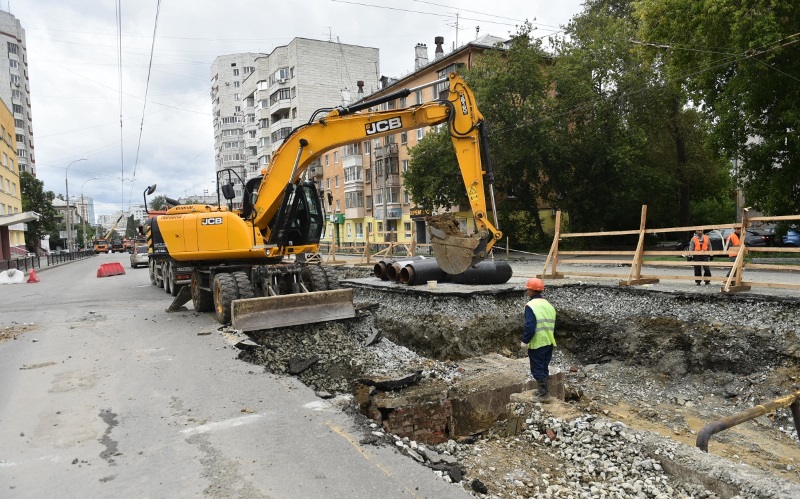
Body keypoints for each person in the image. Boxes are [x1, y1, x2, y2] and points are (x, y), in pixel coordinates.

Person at [521, 277, 556, 403]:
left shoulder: (530, 306)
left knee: (537, 368)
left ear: (531, 291)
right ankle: (543, 390)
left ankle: (544, 394)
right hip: (549, 340)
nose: (527, 292)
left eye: (528, 290)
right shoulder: (548, 305)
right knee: (544, 366)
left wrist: (525, 341)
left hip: (537, 342)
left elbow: (530, 326)